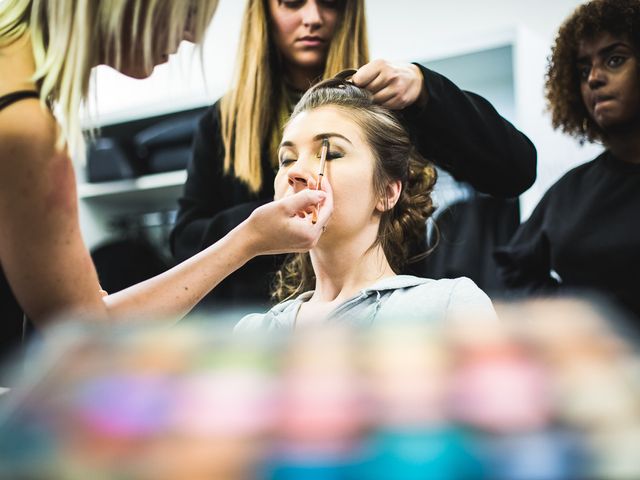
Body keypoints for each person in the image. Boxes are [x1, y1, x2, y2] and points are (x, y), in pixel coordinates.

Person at [0, 0, 334, 374]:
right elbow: (88, 333)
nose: (191, 35)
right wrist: (250, 238)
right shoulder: (23, 126)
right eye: (189, 13)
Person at [170, 0, 538, 306]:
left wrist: (427, 92)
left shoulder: (389, 105)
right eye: (293, 2)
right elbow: (186, 242)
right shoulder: (224, 124)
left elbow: (516, 170)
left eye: (331, 154)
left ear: (390, 188)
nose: (312, 17)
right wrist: (274, 217)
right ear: (263, 13)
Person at [236, 73, 496, 331]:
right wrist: (247, 240)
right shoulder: (256, 330)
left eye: (332, 153)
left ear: (386, 192)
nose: (295, 172)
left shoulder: (448, 306)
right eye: (287, 159)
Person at [495, 0, 640, 320]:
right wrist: (573, 320)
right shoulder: (570, 192)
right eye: (583, 69)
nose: (594, 79)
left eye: (615, 60)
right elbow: (517, 271)